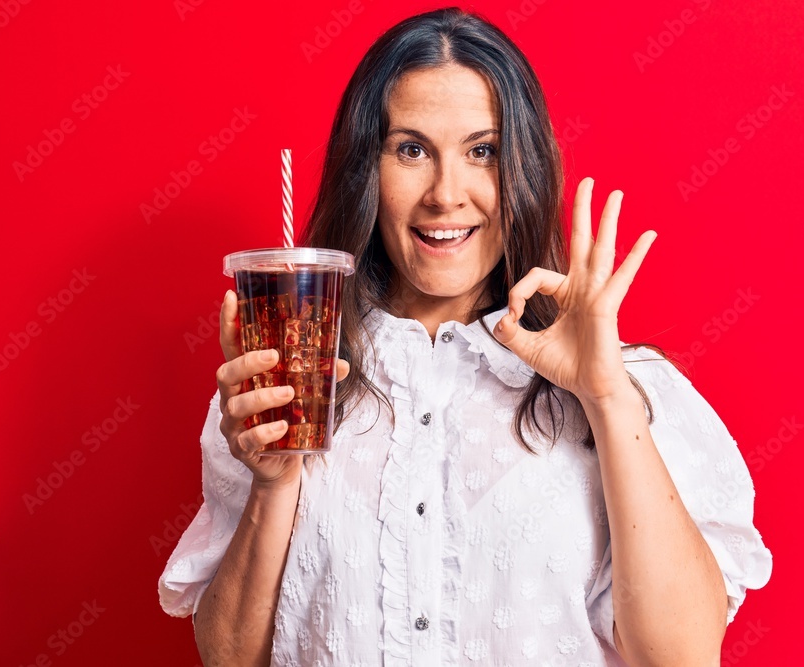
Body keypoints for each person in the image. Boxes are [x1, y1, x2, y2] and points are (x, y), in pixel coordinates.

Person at [159, 7, 772, 666]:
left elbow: (683, 656)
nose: (446, 194)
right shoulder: (287, 381)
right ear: (367, 168)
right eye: (412, 149)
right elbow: (230, 657)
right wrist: (274, 484)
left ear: (522, 170)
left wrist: (607, 395)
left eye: (482, 151)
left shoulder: (628, 388)